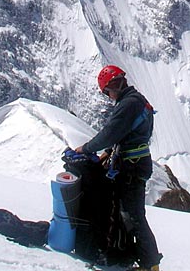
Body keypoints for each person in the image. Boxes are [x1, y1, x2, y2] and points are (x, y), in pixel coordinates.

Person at [75, 65, 162, 271]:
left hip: (131, 167)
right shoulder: (136, 100)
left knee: (134, 215)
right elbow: (124, 132)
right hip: (136, 164)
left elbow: (111, 132)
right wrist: (108, 151)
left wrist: (86, 149)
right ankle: (143, 260)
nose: (109, 95)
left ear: (112, 87)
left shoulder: (128, 104)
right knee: (130, 213)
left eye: (107, 91)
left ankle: (150, 264)